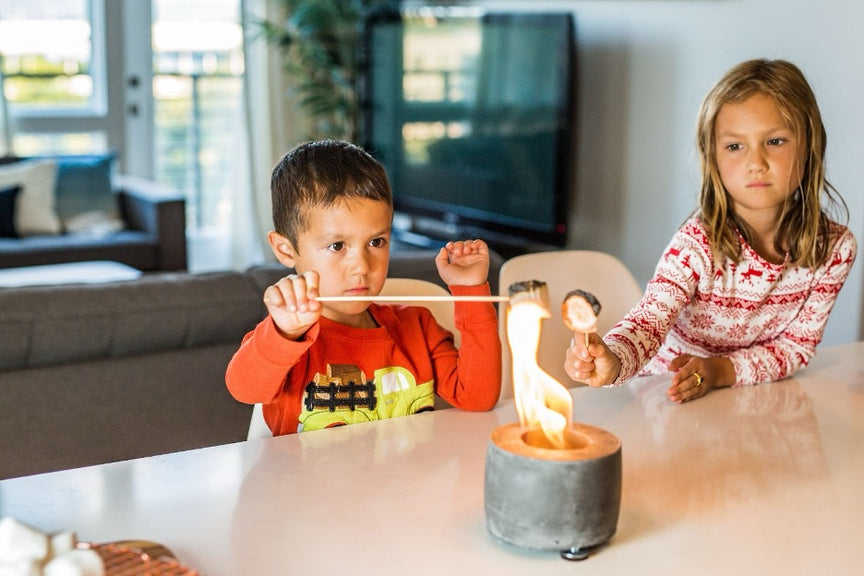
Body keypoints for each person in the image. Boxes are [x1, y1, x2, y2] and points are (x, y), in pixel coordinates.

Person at [564, 58, 857, 403]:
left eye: (775, 141)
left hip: (754, 401)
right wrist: (613, 359)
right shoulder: (694, 246)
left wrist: (719, 371)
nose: (756, 162)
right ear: (713, 157)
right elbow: (650, 320)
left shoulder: (835, 250)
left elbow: (795, 347)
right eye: (735, 146)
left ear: (810, 145)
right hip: (665, 396)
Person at [226, 140, 501, 434]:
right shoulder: (287, 339)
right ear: (285, 249)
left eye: (376, 242)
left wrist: (470, 290)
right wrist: (283, 333)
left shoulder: (418, 327)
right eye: (337, 245)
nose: (362, 265)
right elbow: (245, 390)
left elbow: (478, 397)